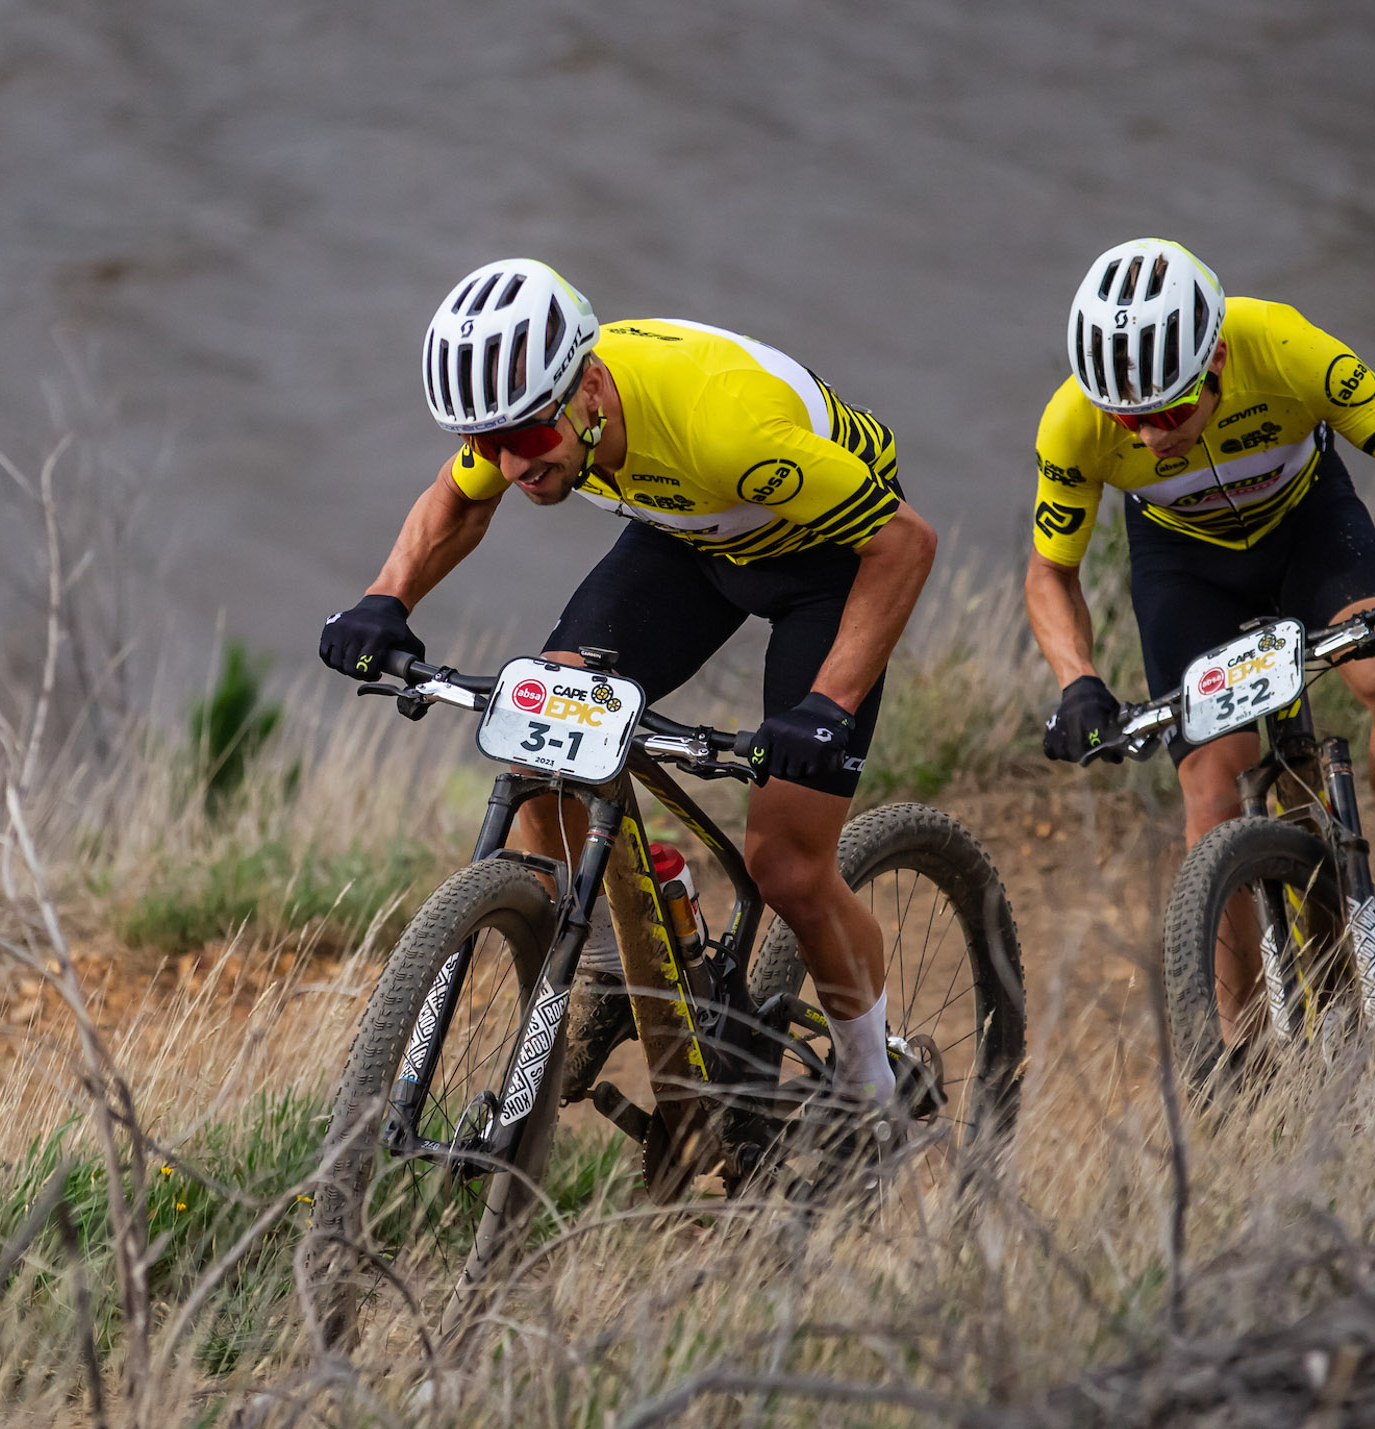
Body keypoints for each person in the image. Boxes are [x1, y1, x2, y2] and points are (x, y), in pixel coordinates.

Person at [318, 258, 939, 1110]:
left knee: (787, 866)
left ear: (592, 389)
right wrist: (383, 599)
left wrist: (827, 707)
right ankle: (621, 965)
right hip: (693, 535)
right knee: (542, 734)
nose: (508, 465)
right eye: (486, 445)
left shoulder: (727, 428)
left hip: (826, 560)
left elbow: (904, 543)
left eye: (527, 440)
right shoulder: (535, 413)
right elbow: (457, 504)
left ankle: (878, 1091)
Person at [1022, 237, 1375, 1008]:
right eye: (1129, 419)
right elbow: (1051, 574)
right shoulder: (1072, 424)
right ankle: (1234, 1061)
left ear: (1213, 360)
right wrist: (1077, 682)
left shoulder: (1284, 346)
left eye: (1171, 409)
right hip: (1184, 563)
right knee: (1213, 794)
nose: (1151, 437)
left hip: (1309, 531)